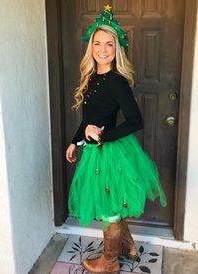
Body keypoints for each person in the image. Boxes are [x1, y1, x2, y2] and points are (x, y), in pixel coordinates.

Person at [66, 5, 167, 274]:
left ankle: (109, 263)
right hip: (95, 151)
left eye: (109, 44)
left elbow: (136, 121)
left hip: (110, 152)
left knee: (109, 206)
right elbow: (87, 119)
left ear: (116, 48)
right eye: (97, 43)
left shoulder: (116, 81)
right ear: (91, 47)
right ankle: (129, 247)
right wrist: (76, 141)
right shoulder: (91, 77)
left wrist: (101, 137)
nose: (102, 49)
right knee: (111, 202)